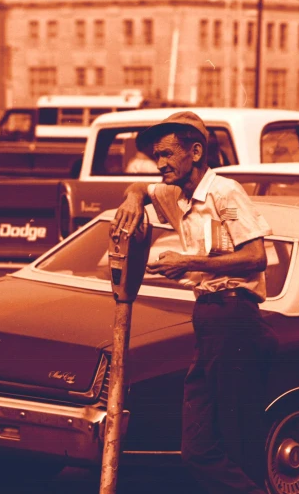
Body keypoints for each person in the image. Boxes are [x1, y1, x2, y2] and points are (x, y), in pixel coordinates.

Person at [111, 111, 277, 494]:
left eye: (168, 154)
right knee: (197, 447)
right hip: (207, 317)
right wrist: (134, 197)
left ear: (197, 151)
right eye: (157, 156)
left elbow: (256, 256)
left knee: (238, 438)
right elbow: (143, 189)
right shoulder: (175, 194)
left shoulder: (224, 193)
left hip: (236, 316)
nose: (160, 164)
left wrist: (188, 262)